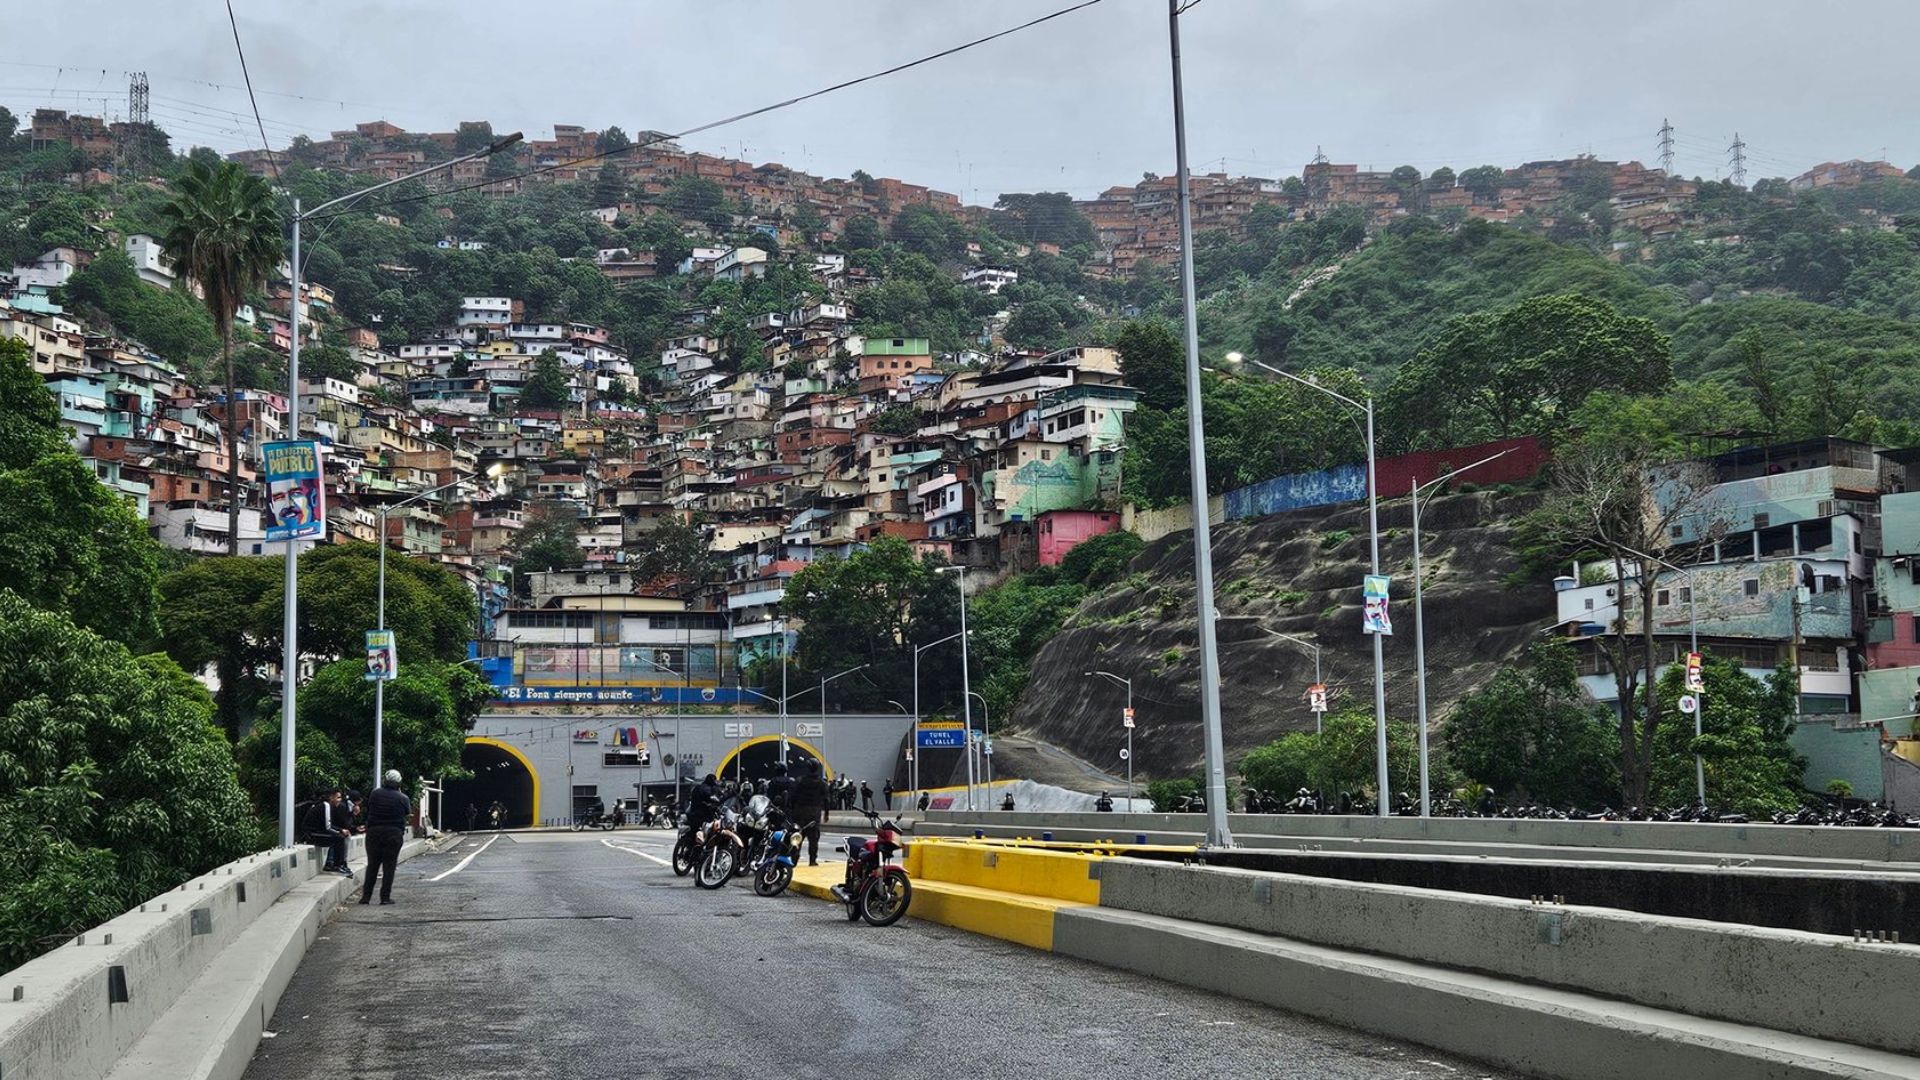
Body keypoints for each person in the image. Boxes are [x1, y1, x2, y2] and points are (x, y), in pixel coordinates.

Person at [360, 770, 411, 906]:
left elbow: (369, 808)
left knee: (372, 865)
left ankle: (366, 897)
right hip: (393, 834)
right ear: (399, 782)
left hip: (374, 833)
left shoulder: (375, 794)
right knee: (389, 866)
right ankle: (385, 897)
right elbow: (407, 812)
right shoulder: (403, 798)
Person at [301, 788, 351, 876]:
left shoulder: (326, 806)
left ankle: (339, 863)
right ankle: (337, 865)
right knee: (339, 838)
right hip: (312, 834)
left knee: (339, 836)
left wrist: (340, 830)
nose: (340, 800)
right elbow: (328, 827)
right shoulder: (325, 805)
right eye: (338, 797)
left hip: (317, 832)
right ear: (331, 797)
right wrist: (340, 830)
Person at [788, 761, 830, 866]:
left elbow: (792, 797)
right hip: (814, 813)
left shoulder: (800, 781)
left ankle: (794, 858)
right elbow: (827, 800)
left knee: (798, 835)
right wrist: (826, 814)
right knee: (813, 838)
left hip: (800, 812)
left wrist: (792, 811)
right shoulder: (821, 783)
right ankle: (812, 860)